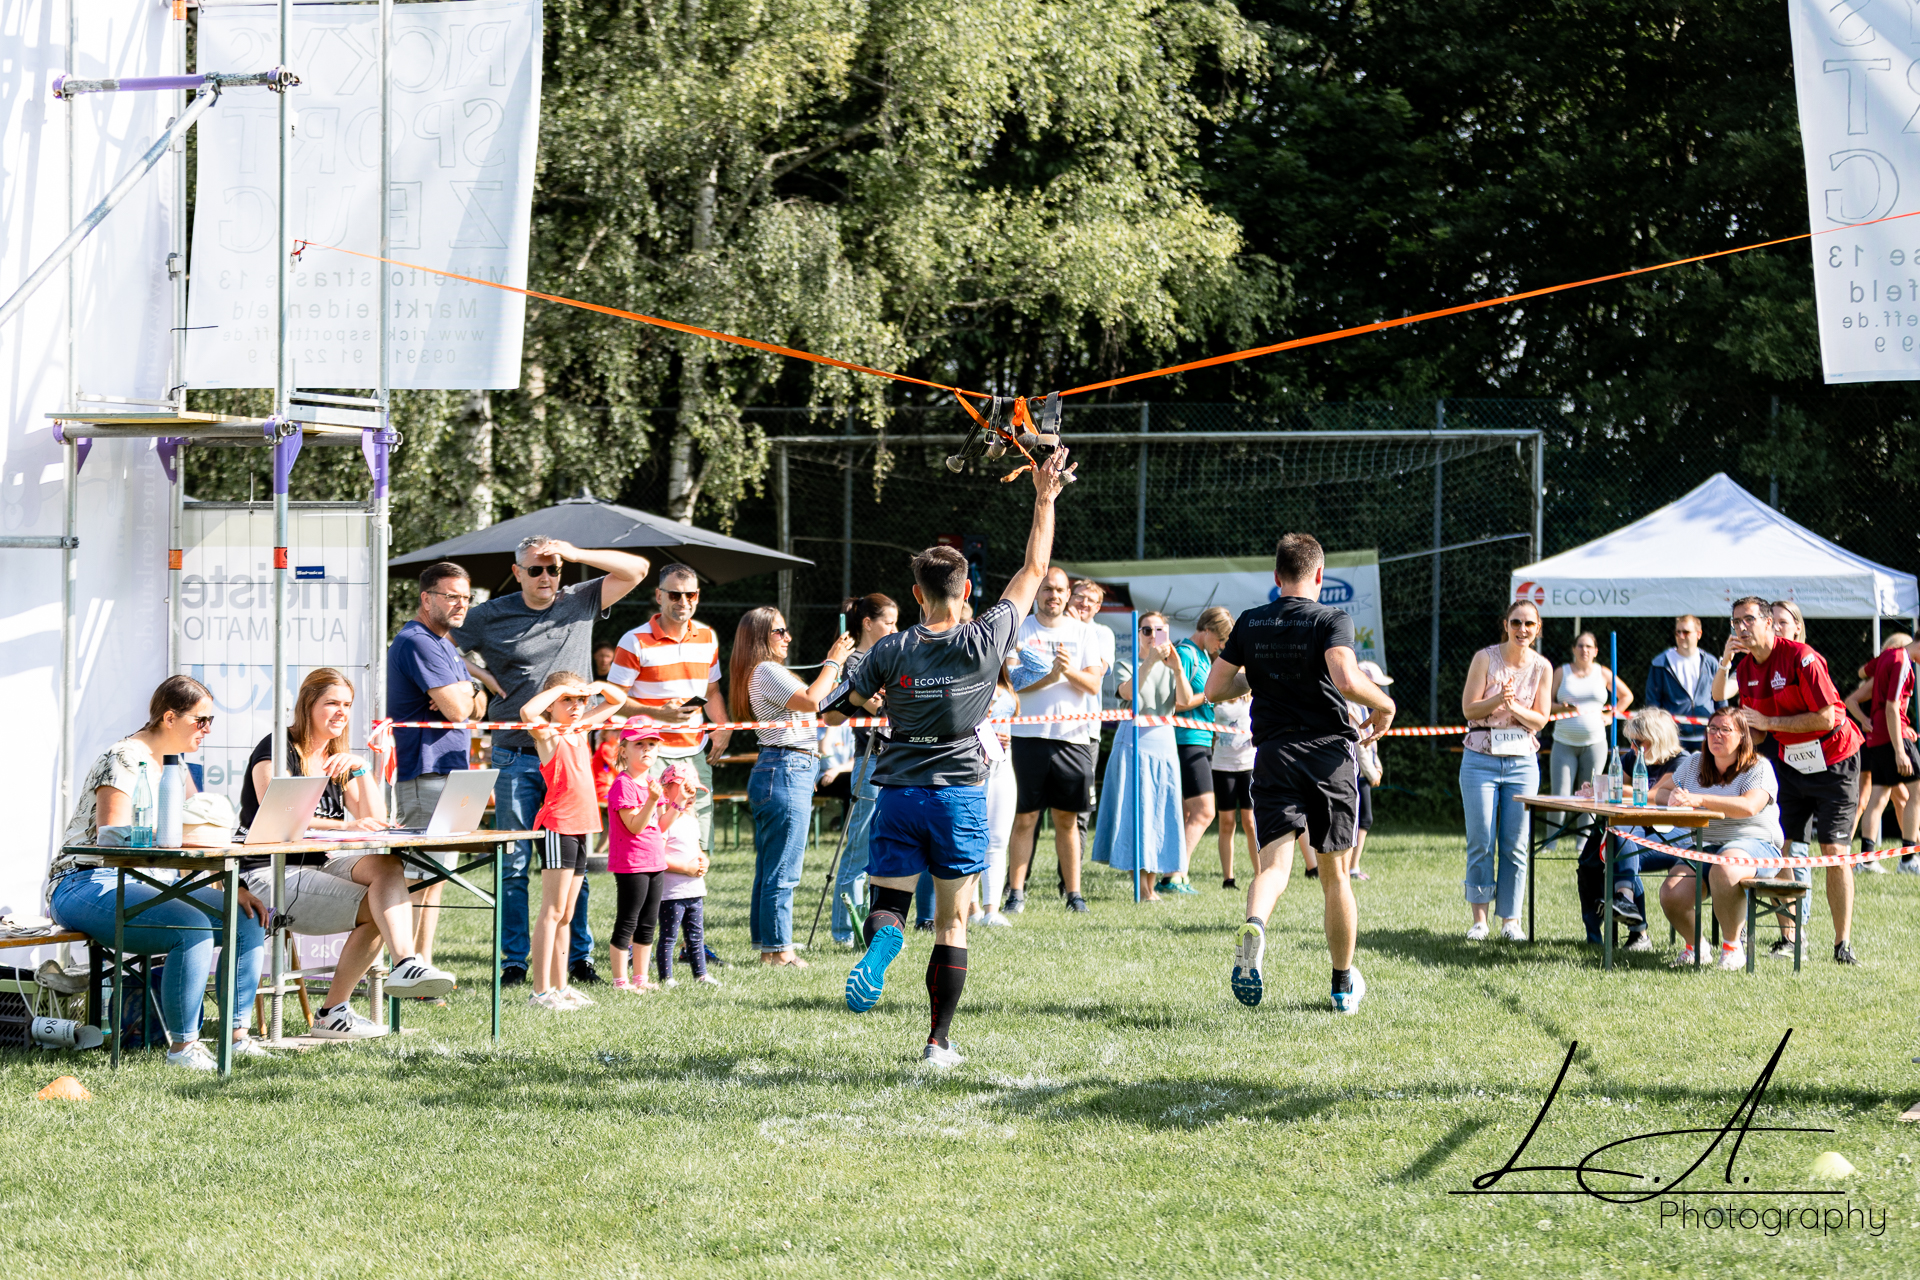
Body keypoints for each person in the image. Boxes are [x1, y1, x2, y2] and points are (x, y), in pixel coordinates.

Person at [843, 446, 1074, 1067]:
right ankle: (938, 1041)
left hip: (898, 794)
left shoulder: (890, 648)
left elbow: (848, 700)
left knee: (888, 905)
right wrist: (1044, 496)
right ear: (965, 590)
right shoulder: (986, 635)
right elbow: (1035, 566)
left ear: (916, 595)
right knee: (952, 923)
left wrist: (868, 696)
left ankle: (883, 943)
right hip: (959, 796)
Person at [1204, 532, 1396, 1015]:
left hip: (1272, 753)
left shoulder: (1251, 621)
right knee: (1335, 876)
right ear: (1319, 575)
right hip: (1327, 756)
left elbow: (1214, 688)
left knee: (1273, 868)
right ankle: (1341, 986)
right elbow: (1346, 678)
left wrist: (1260, 674)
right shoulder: (1331, 618)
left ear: (1276, 576)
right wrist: (1385, 703)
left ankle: (1255, 926)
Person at [452, 535, 649, 988]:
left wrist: (577, 554)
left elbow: (637, 570)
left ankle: (577, 959)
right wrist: (479, 677)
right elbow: (435, 640)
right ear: (517, 572)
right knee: (515, 865)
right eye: (535, 569)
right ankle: (515, 963)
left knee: (573, 865)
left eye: (554, 569)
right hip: (516, 753)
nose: (546, 577)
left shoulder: (579, 599)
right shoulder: (489, 615)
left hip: (569, 758)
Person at [47, 676, 269, 1070]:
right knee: (191, 926)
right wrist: (177, 841)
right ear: (169, 717)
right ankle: (183, 1048)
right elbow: (112, 837)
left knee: (245, 918)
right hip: (84, 882)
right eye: (201, 720)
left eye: (211, 720)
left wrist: (230, 885)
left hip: (146, 882)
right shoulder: (124, 758)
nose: (208, 729)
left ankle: (236, 1038)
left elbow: (197, 835)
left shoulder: (175, 764)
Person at [238, 668, 458, 1035]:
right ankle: (333, 1012)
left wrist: (360, 769)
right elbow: (277, 811)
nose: (341, 712)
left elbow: (376, 820)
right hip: (267, 872)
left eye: (347, 704)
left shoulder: (336, 758)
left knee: (387, 867)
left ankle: (404, 965)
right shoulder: (277, 747)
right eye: (332, 703)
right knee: (382, 910)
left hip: (316, 866)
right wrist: (344, 826)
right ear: (308, 705)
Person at [1713, 596, 1864, 964]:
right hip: (1791, 763)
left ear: (1768, 622)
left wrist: (1769, 722)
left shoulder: (1802, 657)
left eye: (1748, 619)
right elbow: (1757, 731)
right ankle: (1790, 939)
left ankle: (1842, 945)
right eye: (1735, 622)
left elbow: (1827, 717)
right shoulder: (1745, 669)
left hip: (1835, 759)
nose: (1741, 628)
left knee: (1834, 853)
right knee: (1782, 848)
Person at [731, 607, 858, 967]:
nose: (787, 637)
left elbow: (821, 700)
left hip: (786, 768)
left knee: (772, 866)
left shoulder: (765, 671)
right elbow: (812, 700)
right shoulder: (766, 670)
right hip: (785, 768)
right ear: (759, 637)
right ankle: (781, 951)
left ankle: (769, 949)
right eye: (779, 631)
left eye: (786, 630)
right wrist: (833, 661)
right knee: (783, 868)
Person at [385, 560, 486, 968]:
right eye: (451, 596)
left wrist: (468, 686)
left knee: (437, 878)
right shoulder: (418, 641)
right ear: (426, 599)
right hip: (424, 771)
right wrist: (464, 694)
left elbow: (476, 705)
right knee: (417, 877)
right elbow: (460, 710)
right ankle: (407, 966)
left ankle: (422, 965)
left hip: (451, 773)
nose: (461, 604)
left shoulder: (446, 644)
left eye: (466, 598)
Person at [1651, 709, 1793, 969]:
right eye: (1712, 729)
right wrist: (1672, 798)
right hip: (1706, 846)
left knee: (1724, 867)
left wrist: (1699, 799)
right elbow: (1661, 793)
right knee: (1671, 893)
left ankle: (1732, 949)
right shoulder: (1694, 763)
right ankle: (1696, 947)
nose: (1716, 735)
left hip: (1756, 844)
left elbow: (1749, 806)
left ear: (1742, 736)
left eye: (1725, 729)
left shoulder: (1759, 767)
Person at [606, 563, 731, 854]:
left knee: (699, 838)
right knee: (651, 841)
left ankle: (695, 886)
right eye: (675, 595)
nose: (683, 602)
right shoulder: (633, 641)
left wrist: (722, 729)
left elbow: (712, 691)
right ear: (658, 596)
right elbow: (613, 700)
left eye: (690, 595)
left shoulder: (708, 636)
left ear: (697, 596)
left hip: (695, 750)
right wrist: (659, 714)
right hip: (650, 755)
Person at [521, 671, 628, 1009]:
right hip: (558, 826)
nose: (576, 705)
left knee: (567, 913)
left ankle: (561, 987)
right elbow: (527, 712)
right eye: (567, 700)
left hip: (581, 827)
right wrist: (561, 690)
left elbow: (618, 700)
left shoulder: (581, 729)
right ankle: (540, 992)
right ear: (552, 705)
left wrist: (595, 688)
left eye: (580, 700)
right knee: (552, 911)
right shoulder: (549, 734)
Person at [1004, 567, 1106, 914]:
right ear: (1037, 593)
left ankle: (1074, 895)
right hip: (1026, 737)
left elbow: (1093, 684)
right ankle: (1015, 893)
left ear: (1067, 594)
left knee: (1067, 820)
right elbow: (1012, 681)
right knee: (1025, 819)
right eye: (1048, 589)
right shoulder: (1020, 629)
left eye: (1061, 590)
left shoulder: (1083, 632)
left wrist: (1067, 671)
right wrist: (1050, 676)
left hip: (1072, 739)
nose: (1054, 595)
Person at [1456, 599, 1553, 941]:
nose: (1522, 630)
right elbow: (1469, 709)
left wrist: (1514, 707)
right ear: (1505, 625)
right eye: (1516, 623)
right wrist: (1498, 700)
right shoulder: (1485, 658)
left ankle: (1511, 921)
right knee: (1481, 840)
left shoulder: (1542, 667)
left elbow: (1540, 719)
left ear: (1537, 629)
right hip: (1479, 759)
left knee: (1515, 844)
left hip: (1522, 762)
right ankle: (1479, 921)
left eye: (1529, 624)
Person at [1091, 611, 1189, 900]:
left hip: (1165, 744)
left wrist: (1178, 669)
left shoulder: (1172, 667)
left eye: (1159, 630)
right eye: (1146, 630)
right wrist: (1150, 661)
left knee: (1161, 811)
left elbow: (1184, 701)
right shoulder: (1127, 664)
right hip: (1134, 742)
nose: (1152, 636)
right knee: (1138, 811)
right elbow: (1128, 693)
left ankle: (1152, 883)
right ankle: (1143, 888)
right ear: (1138, 634)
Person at [1575, 708, 1686, 951]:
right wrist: (1596, 789)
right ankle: (1597, 935)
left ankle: (1635, 925)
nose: (1633, 747)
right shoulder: (1632, 757)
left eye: (1639, 742)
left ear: (1658, 738)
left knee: (1621, 848)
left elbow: (1650, 795)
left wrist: (1608, 786)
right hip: (1634, 831)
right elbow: (1614, 790)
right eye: (1631, 741)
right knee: (1592, 859)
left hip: (1673, 833)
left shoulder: (1681, 761)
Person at [824, 593, 899, 945]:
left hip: (896, 759)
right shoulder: (855, 661)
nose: (895, 630)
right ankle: (844, 932)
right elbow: (873, 704)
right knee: (858, 849)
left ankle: (872, 926)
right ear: (868, 623)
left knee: (885, 848)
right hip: (869, 759)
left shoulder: (890, 656)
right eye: (889, 623)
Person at [1168, 607, 1232, 893]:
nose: (1222, 646)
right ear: (1207, 630)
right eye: (1220, 639)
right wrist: (1209, 696)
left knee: (1188, 813)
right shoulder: (1186, 653)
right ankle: (1175, 873)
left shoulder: (1204, 656)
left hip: (1202, 739)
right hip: (1186, 739)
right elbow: (1175, 703)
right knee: (1205, 811)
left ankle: (1174, 874)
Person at [1548, 631, 1632, 848]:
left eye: (1588, 646)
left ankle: (1583, 845)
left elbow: (1626, 696)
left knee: (1590, 794)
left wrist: (1610, 716)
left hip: (1595, 743)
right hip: (1564, 742)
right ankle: (1549, 843)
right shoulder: (1561, 672)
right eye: (1580, 645)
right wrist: (1562, 708)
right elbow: (1546, 703)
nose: (1584, 650)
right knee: (1560, 795)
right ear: (1573, 649)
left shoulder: (1603, 673)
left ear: (1595, 651)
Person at [1850, 632, 1918, 875]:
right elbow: (1892, 708)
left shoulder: (1888, 657)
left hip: (1876, 738)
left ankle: (1867, 860)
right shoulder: (1902, 660)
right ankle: (1909, 860)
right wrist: (1900, 751)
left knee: (1878, 797)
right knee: (1916, 794)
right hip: (1892, 735)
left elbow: (1862, 672)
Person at [606, 727, 668, 993]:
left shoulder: (652, 782)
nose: (646, 749)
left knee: (648, 923)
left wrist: (678, 803)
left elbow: (660, 825)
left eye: (652, 744)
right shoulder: (624, 784)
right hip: (632, 863)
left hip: (655, 861)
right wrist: (652, 800)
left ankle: (641, 978)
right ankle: (620, 982)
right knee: (628, 921)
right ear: (623, 751)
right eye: (639, 744)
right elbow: (634, 826)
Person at [653, 762, 717, 986]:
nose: (691, 796)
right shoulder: (664, 823)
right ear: (666, 791)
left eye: (694, 791)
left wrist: (703, 861)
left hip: (694, 890)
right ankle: (666, 977)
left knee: (696, 936)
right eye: (685, 789)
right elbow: (659, 857)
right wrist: (686, 868)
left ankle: (701, 974)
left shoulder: (691, 821)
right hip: (672, 894)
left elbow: (697, 849)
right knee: (669, 936)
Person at [970, 665, 1020, 928]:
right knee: (971, 839)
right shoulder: (965, 672)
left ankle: (992, 911)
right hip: (972, 764)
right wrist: (986, 736)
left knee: (998, 839)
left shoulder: (1010, 677)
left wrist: (1016, 645)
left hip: (1003, 764)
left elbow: (1041, 667)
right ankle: (972, 908)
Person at [1643, 615, 1718, 752]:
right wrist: (1657, 731)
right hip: (1674, 738)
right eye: (1677, 632)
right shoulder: (1661, 663)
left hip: (1707, 736)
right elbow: (1653, 702)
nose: (1681, 636)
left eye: (1686, 632)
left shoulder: (1710, 663)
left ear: (1699, 634)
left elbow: (1720, 698)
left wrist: (1720, 728)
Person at [1348, 659, 1393, 880]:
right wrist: (1372, 773)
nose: (1378, 690)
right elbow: (1358, 745)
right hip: (1355, 773)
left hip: (1364, 771)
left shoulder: (1364, 707)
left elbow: (1372, 743)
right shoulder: (1350, 707)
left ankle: (1351, 867)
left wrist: (1378, 767)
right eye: (1375, 685)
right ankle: (1351, 868)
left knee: (1363, 819)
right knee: (1361, 819)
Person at [1210, 693, 1255, 888]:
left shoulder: (1252, 696)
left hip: (1248, 765)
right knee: (1226, 822)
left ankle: (1261, 875)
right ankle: (1228, 879)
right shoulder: (1217, 695)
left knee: (1250, 822)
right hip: (1222, 766)